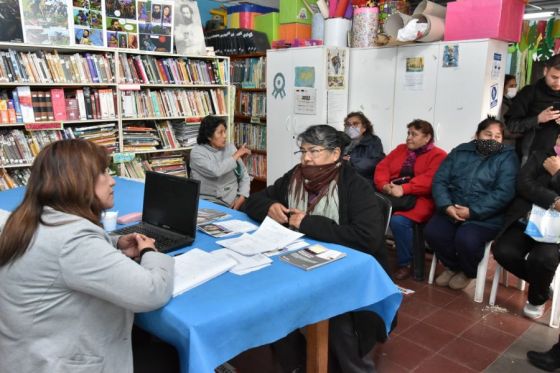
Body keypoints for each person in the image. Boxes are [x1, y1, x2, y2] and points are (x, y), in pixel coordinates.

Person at [0, 139, 174, 372]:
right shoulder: (74, 240)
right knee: (169, 357)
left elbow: (63, 254)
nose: (112, 181)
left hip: (26, 354)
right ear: (77, 180)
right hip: (59, 362)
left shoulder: (27, 219)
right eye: (103, 173)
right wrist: (149, 251)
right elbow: (153, 291)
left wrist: (114, 243)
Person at [245, 124, 389, 373]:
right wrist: (268, 207)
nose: (306, 158)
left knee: (335, 318)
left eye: (314, 151)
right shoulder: (295, 176)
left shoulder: (354, 186)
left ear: (335, 154)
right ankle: (296, 363)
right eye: (302, 151)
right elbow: (254, 201)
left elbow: (368, 238)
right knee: (271, 302)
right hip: (298, 265)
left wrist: (308, 224)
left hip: (347, 274)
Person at [424, 118, 518, 290]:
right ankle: (453, 266)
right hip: (452, 209)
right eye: (487, 134)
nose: (492, 139)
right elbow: (440, 180)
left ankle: (467, 272)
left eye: (497, 136)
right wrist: (447, 206)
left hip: (486, 216)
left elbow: (504, 192)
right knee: (433, 233)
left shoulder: (508, 157)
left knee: (467, 239)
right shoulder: (461, 151)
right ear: (477, 134)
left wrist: (473, 212)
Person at [492, 133, 560, 320]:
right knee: (503, 251)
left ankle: (536, 299)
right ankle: (542, 285)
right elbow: (523, 184)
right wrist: (554, 200)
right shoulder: (540, 155)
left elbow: (533, 187)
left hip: (555, 232)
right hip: (525, 221)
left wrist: (557, 173)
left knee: (543, 259)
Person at [374, 119, 447, 280]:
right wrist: (384, 185)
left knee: (398, 222)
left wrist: (405, 189)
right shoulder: (401, 149)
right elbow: (382, 167)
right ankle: (373, 256)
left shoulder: (438, 155)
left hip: (422, 199)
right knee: (370, 211)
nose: (409, 138)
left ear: (427, 138)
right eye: (408, 133)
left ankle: (405, 263)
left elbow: (431, 180)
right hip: (392, 194)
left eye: (414, 134)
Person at [505, 54, 560, 165]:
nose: (558, 83)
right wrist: (538, 119)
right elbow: (511, 125)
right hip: (531, 156)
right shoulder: (529, 92)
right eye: (554, 77)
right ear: (545, 71)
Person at [189, 115, 251, 210]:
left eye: (225, 132)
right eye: (220, 133)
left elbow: (244, 176)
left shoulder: (230, 148)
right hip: (208, 201)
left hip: (233, 200)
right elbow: (216, 171)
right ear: (209, 136)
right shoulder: (197, 152)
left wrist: (242, 196)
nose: (225, 136)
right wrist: (236, 155)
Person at [343, 111, 385, 180]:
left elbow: (373, 163)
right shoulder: (342, 141)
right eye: (348, 125)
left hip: (364, 182)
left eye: (355, 124)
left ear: (364, 128)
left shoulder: (373, 141)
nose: (351, 127)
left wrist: (350, 160)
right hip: (344, 180)